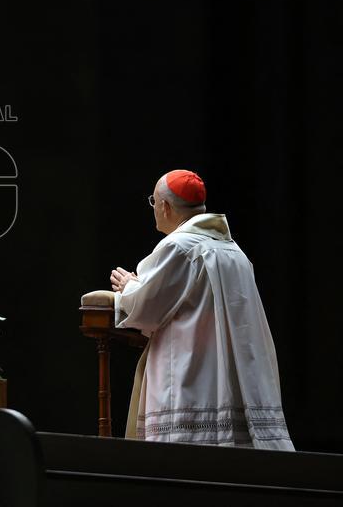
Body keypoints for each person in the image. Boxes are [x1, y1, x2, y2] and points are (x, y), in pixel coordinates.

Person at [109, 170, 293, 450]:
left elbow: (146, 309)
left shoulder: (178, 247)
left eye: (153, 202)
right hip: (231, 372)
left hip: (192, 373)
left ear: (165, 207)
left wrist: (129, 287)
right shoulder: (235, 252)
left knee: (185, 458)